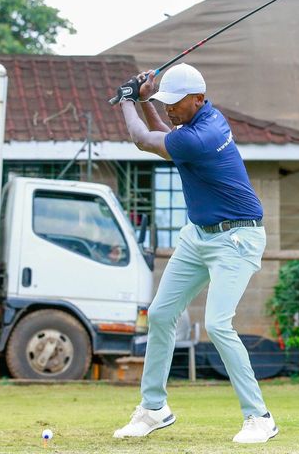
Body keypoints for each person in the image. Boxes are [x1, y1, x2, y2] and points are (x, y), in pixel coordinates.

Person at [111, 64, 277, 443]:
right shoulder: (198, 123)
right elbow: (166, 137)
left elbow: (144, 140)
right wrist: (144, 100)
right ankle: (154, 408)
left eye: (175, 102)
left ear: (199, 99)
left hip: (237, 238)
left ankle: (260, 417)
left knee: (218, 324)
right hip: (198, 235)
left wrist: (127, 101)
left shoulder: (203, 136)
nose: (169, 108)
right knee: (160, 314)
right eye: (165, 102)